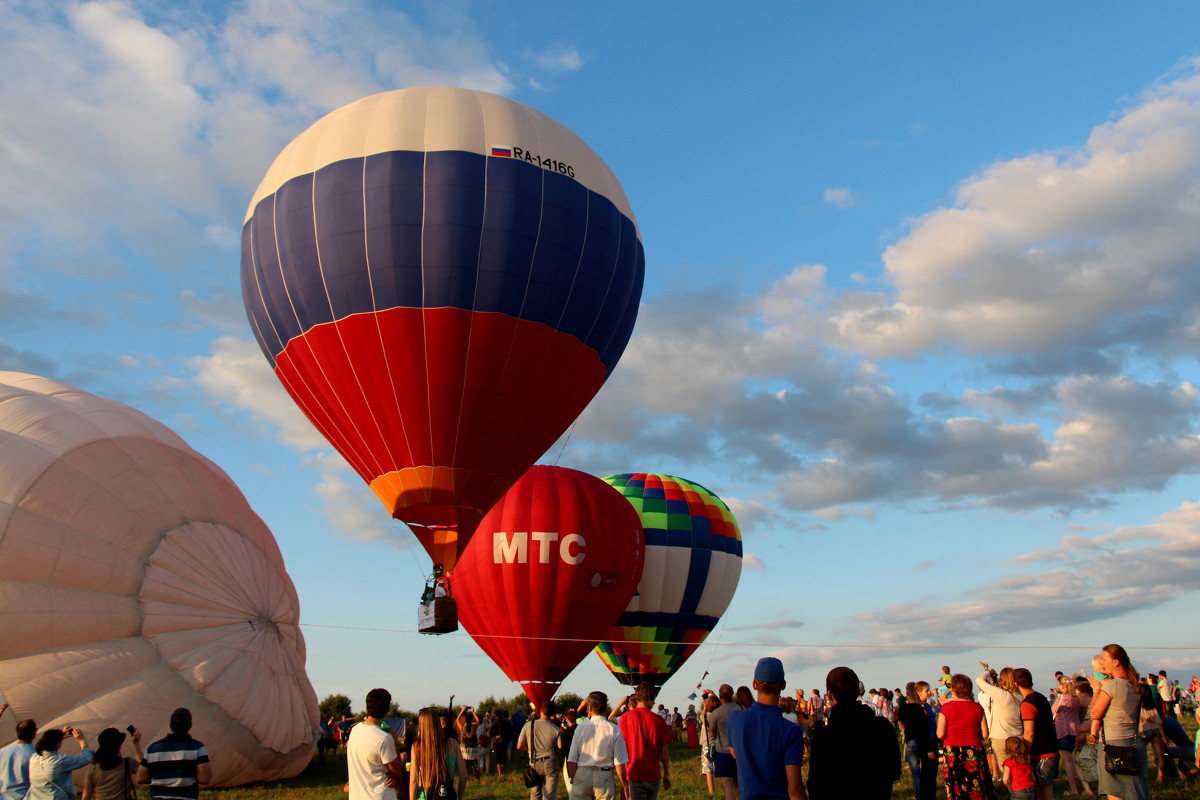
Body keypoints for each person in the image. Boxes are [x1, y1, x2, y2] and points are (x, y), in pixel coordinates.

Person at [806, 666, 900, 799]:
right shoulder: (883, 727)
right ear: (858, 691)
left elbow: (815, 785)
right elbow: (894, 772)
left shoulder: (824, 736)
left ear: (830, 695)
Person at [726, 657, 805, 800]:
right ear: (783, 685)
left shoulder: (734, 719)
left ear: (754, 684)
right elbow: (795, 790)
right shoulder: (791, 730)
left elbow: (734, 752)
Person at [1086, 644, 1149, 800]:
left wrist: (1096, 690)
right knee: (1136, 791)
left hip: (1113, 745)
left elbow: (1095, 713)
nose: (1101, 663)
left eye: (1103, 659)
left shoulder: (1111, 685)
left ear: (1116, 662)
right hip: (1134, 743)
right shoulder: (1135, 685)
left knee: (1115, 792)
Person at [937, 674, 995, 800]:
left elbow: (940, 734)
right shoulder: (977, 707)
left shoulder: (946, 708)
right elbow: (985, 734)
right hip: (974, 749)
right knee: (978, 784)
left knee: (956, 785)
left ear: (953, 689)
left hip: (953, 751)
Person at [566, 692, 628, 800]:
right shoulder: (613, 729)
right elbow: (619, 762)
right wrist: (625, 785)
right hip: (604, 775)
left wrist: (573, 778)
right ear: (605, 708)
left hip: (582, 772)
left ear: (589, 708)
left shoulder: (580, 728)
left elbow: (571, 759)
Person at [137, 709, 210, 800]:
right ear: (190, 726)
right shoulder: (197, 747)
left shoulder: (153, 748)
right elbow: (205, 779)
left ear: (170, 725)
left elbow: (141, 778)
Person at [345, 689, 404, 800]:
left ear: (367, 707)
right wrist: (394, 739)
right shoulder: (384, 738)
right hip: (380, 795)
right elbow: (397, 771)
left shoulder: (355, 731)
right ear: (387, 709)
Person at [616, 683, 671, 800]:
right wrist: (666, 773)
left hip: (634, 773)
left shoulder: (625, 718)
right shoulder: (658, 719)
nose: (654, 703)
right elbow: (664, 750)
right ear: (647, 698)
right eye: (653, 700)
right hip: (653, 774)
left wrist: (623, 781)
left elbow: (623, 749)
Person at [1013, 669, 1057, 800]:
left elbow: (1029, 732)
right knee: (1046, 788)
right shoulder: (1040, 697)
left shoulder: (1027, 704)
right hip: (1052, 747)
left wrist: (1024, 753)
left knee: (1044, 791)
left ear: (1016, 684)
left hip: (1041, 752)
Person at [409, 708, 467, 800]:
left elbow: (414, 780)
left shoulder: (417, 746)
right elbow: (463, 777)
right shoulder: (453, 744)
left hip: (425, 795)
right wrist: (458, 796)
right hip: (448, 794)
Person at [26, 728, 93, 800]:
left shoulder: (34, 758)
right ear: (58, 744)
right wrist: (82, 741)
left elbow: (47, 746)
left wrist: (59, 738)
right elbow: (86, 759)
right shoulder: (59, 761)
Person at [897, 682, 935, 800]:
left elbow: (900, 725)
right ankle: (925, 795)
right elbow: (923, 727)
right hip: (921, 741)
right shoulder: (920, 709)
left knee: (915, 773)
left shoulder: (903, 709)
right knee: (925, 771)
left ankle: (919, 796)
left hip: (910, 741)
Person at [82, 727, 143, 800]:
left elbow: (86, 796)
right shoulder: (127, 763)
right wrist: (136, 744)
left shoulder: (93, 767)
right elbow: (144, 769)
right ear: (118, 746)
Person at [518, 701, 561, 800]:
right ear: (553, 712)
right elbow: (560, 746)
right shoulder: (556, 729)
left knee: (535, 794)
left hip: (534, 762)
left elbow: (519, 745)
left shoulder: (528, 725)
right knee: (549, 795)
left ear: (541, 710)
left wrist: (529, 749)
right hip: (550, 761)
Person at [1050, 674, 1083, 795]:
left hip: (1063, 730)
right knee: (1076, 759)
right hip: (1076, 729)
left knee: (1068, 761)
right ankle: (1085, 785)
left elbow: (1051, 712)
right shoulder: (1076, 698)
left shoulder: (1061, 699)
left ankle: (1074, 789)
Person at [707, 685, 740, 800]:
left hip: (722, 751)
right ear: (732, 694)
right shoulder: (740, 709)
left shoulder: (716, 713)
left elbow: (712, 733)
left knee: (727, 785)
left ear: (720, 695)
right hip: (739, 751)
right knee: (739, 784)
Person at [0, 716, 36, 800]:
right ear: (35, 732)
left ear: (16, 733)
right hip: (23, 797)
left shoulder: (2, 752)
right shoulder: (35, 756)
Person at [698, 695, 719, 795]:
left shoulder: (705, 716)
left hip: (707, 745)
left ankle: (711, 792)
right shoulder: (718, 715)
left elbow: (702, 715)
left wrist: (705, 705)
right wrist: (713, 694)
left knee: (708, 770)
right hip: (718, 744)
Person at [490, 710, 513, 778]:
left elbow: (490, 732)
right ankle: (501, 772)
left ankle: (499, 773)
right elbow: (511, 731)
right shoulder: (507, 722)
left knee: (497, 758)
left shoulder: (494, 723)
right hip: (504, 741)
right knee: (503, 758)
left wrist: (495, 736)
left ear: (495, 716)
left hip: (496, 742)